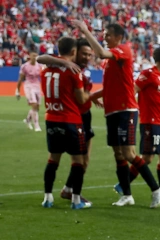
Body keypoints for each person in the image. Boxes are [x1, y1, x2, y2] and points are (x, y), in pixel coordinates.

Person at [70, 20, 160, 209]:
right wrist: (92, 96)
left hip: (125, 110)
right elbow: (110, 86)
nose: (105, 38)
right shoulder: (110, 61)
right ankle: (127, 195)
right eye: (104, 35)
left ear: (118, 37)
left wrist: (86, 31)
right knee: (118, 154)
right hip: (112, 111)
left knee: (129, 153)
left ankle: (156, 190)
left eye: (108, 35)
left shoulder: (124, 50)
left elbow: (100, 52)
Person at [38, 38, 97, 206]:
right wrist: (97, 94)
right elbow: (81, 98)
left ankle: (47, 197)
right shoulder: (73, 71)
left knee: (53, 159)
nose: (86, 57)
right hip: (71, 119)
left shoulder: (47, 69)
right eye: (83, 53)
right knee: (78, 161)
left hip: (51, 117)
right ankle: (76, 200)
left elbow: (41, 59)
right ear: (74, 52)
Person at [123, 46, 160, 200]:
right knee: (147, 158)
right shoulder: (148, 74)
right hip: (150, 122)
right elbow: (133, 91)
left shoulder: (159, 76)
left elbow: (154, 99)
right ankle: (123, 184)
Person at [16, 51, 42, 132]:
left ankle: (28, 120)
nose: (34, 57)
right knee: (33, 104)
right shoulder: (25, 66)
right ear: (30, 56)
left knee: (37, 107)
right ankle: (36, 126)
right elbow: (20, 79)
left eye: (36, 55)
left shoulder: (39, 66)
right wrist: (17, 91)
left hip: (37, 85)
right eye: (33, 55)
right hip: (28, 86)